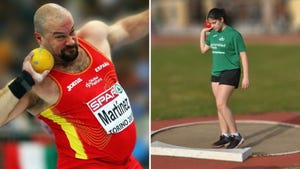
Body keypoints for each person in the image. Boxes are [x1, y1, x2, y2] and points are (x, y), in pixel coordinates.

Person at [0, 3, 148, 169]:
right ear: (39, 38)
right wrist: (24, 81)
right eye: (60, 37)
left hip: (126, 162)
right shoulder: (38, 84)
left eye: (71, 31)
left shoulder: (93, 38)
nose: (71, 41)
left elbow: (128, 28)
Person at [200, 8, 249, 149]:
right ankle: (225, 135)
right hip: (216, 72)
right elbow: (203, 50)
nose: (213, 26)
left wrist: (246, 76)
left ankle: (236, 135)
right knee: (218, 105)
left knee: (221, 103)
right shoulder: (213, 34)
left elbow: (243, 55)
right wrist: (203, 33)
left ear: (222, 19)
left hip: (231, 70)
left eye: (215, 23)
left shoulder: (234, 35)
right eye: (210, 24)